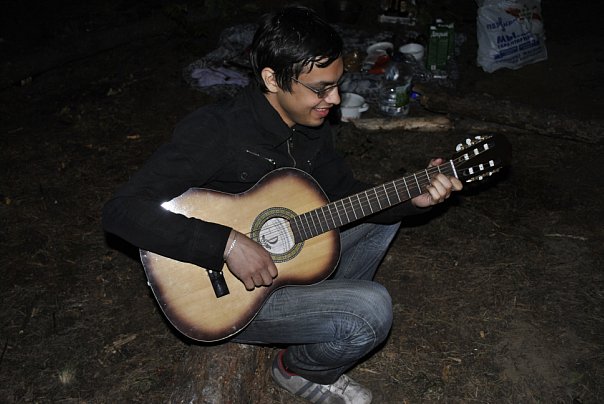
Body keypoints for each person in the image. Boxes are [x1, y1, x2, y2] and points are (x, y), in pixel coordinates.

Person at [102, 5, 462, 403]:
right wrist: (226, 244)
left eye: (337, 85)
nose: (334, 99)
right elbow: (122, 210)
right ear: (272, 79)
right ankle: (298, 368)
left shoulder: (310, 127)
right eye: (321, 89)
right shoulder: (217, 131)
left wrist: (414, 199)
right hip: (228, 297)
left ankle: (323, 314)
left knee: (383, 215)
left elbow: (344, 192)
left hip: (288, 264)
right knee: (373, 309)